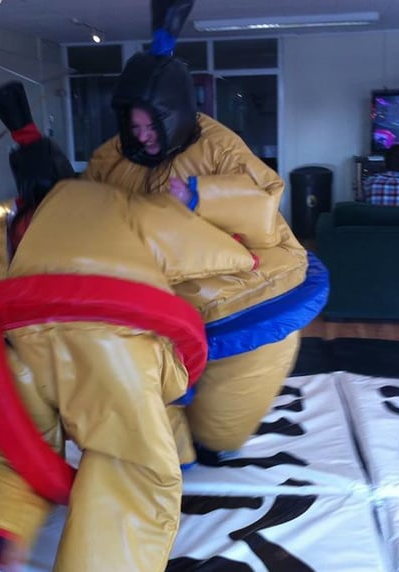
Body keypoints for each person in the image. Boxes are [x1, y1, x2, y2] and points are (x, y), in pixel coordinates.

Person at [0, 80, 258, 572]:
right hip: (104, 345)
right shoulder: (111, 202)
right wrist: (239, 252)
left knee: (5, 450)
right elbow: (195, 246)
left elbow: (0, 286)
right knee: (127, 464)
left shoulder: (1, 220)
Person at [83, 0, 319, 462]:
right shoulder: (115, 157)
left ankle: (209, 440)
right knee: (141, 394)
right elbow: (89, 200)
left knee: (219, 434)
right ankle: (170, 447)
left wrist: (201, 197)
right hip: (157, 301)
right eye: (134, 125)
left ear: (174, 113)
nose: (142, 135)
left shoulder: (218, 148)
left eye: (151, 125)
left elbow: (265, 200)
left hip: (241, 298)